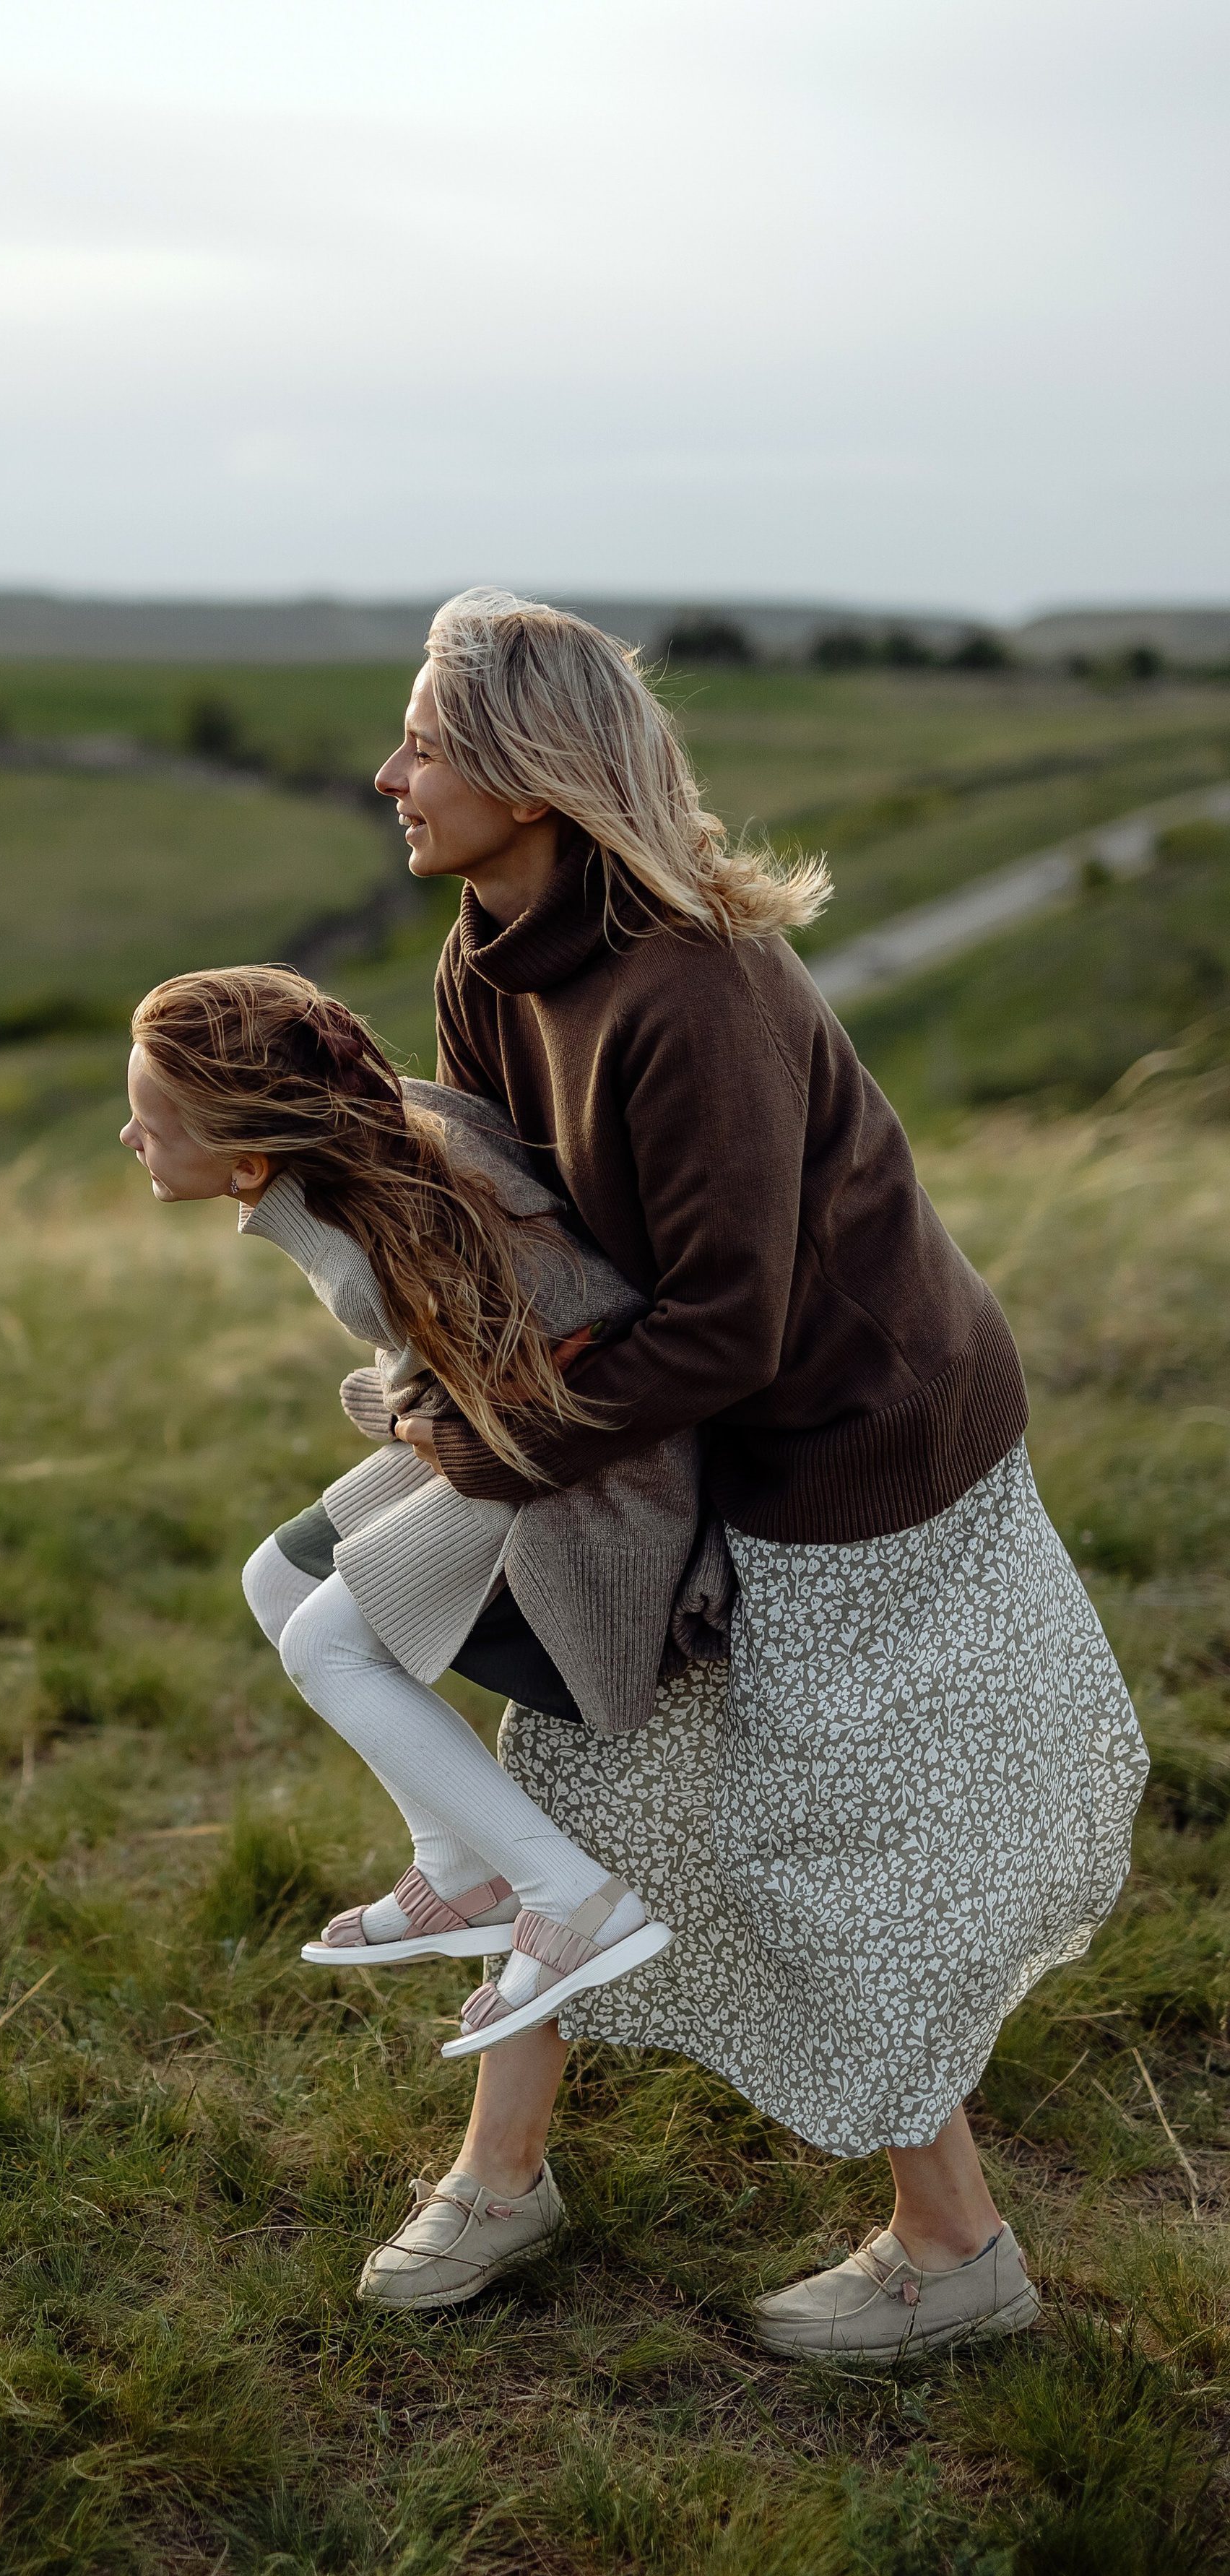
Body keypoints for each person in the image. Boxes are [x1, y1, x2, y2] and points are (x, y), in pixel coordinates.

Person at [345, 589, 1145, 2362]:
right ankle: (502, 2176)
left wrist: (496, 1442)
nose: (390, 772)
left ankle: (955, 2249)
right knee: (556, 1780)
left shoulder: (691, 991)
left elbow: (724, 1324)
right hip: (668, 1438)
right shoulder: (489, 952)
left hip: (857, 1456)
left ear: (532, 779)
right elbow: (530, 1244)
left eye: (427, 742)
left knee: (815, 1856)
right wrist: (449, 1371)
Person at [120, 964, 729, 2038]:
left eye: (151, 1124)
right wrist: (409, 1402)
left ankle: (574, 1900)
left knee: (328, 1646)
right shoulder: (382, 1143)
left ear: (249, 1157)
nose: (132, 1140)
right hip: (508, 1436)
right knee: (278, 1575)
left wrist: (404, 1416)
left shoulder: (375, 1227)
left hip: (587, 1469)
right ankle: (460, 1871)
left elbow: (540, 1374)